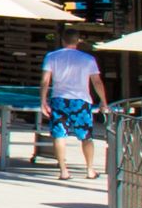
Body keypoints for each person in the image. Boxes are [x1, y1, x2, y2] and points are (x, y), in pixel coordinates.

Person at [38, 34, 107, 180]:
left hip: (59, 99)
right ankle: (89, 170)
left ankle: (63, 171)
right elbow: (97, 82)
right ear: (78, 42)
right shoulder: (88, 59)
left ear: (63, 40)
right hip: (81, 101)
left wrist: (43, 101)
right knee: (86, 136)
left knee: (59, 135)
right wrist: (103, 101)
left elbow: (45, 81)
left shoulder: (52, 56)